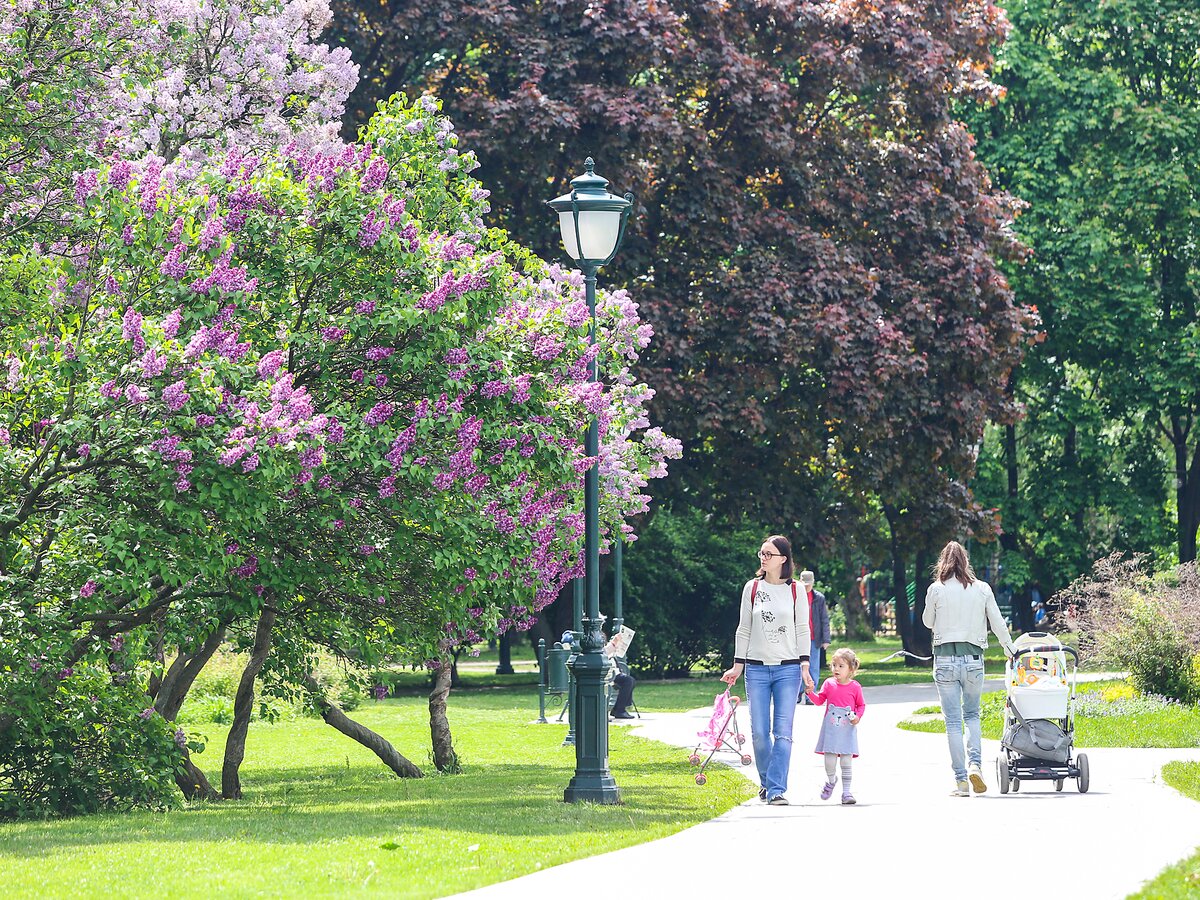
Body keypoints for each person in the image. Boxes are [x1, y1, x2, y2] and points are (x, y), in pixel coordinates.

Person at [722, 535, 813, 806]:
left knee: (782, 732)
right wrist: (737, 666)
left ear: (783, 560)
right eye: (761, 553)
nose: (763, 558)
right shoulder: (752, 588)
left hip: (788, 670)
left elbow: (802, 629)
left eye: (769, 554)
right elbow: (744, 628)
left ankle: (775, 789)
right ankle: (766, 782)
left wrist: (805, 666)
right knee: (760, 732)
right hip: (757, 670)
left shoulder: (796, 591)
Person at [922, 540, 1017, 796]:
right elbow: (998, 622)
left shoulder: (936, 589)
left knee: (953, 722)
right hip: (974, 660)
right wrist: (1010, 650)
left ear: (943, 562)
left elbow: (928, 622)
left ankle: (961, 782)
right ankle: (976, 764)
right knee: (972, 716)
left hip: (944, 661)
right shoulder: (982, 589)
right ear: (966, 562)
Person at [805, 647, 865, 805]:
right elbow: (819, 701)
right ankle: (831, 781)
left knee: (846, 761)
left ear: (851, 669)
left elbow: (861, 705)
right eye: (834, 665)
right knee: (829, 761)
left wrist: (857, 717)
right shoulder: (829, 684)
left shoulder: (855, 687)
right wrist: (810, 692)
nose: (836, 669)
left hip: (847, 730)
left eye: (841, 666)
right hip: (831, 731)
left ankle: (846, 793)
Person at [797, 570, 830, 704]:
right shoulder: (795, 596)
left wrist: (826, 639)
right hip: (798, 638)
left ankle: (811, 694)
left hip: (813, 638)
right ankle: (798, 693)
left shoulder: (819, 598)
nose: (807, 587)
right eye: (804, 584)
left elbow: (824, 619)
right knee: (798, 666)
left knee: (814, 667)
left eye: (809, 584)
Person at [605, 630, 636, 720]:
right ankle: (620, 710)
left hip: (613, 672)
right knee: (628, 681)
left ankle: (618, 709)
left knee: (631, 680)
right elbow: (605, 654)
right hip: (609, 674)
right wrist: (614, 644)